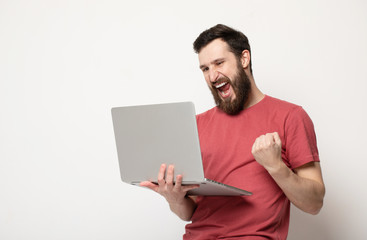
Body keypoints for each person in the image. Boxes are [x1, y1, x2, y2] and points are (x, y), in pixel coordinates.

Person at [140, 24, 325, 240]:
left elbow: (314, 204)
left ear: (244, 59)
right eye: (205, 69)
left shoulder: (290, 116)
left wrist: (276, 167)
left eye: (219, 63)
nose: (212, 76)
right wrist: (174, 198)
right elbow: (190, 212)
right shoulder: (196, 124)